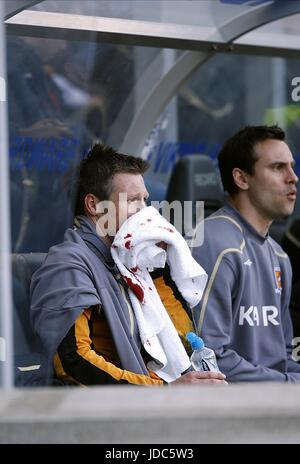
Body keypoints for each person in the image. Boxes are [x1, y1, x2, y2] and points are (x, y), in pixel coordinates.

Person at [30, 143, 226, 386]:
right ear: (94, 206)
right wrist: (165, 392)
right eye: (133, 200)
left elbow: (181, 340)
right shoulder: (67, 265)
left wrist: (158, 266)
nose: (144, 212)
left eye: (145, 200)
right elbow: (74, 362)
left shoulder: (134, 261)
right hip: (101, 415)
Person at [192, 125, 300, 382]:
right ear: (241, 178)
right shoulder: (214, 242)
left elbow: (285, 354)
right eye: (277, 167)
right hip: (231, 414)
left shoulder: (280, 256)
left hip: (272, 407)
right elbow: (208, 358)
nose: (293, 177)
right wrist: (288, 385)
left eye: (292, 166)